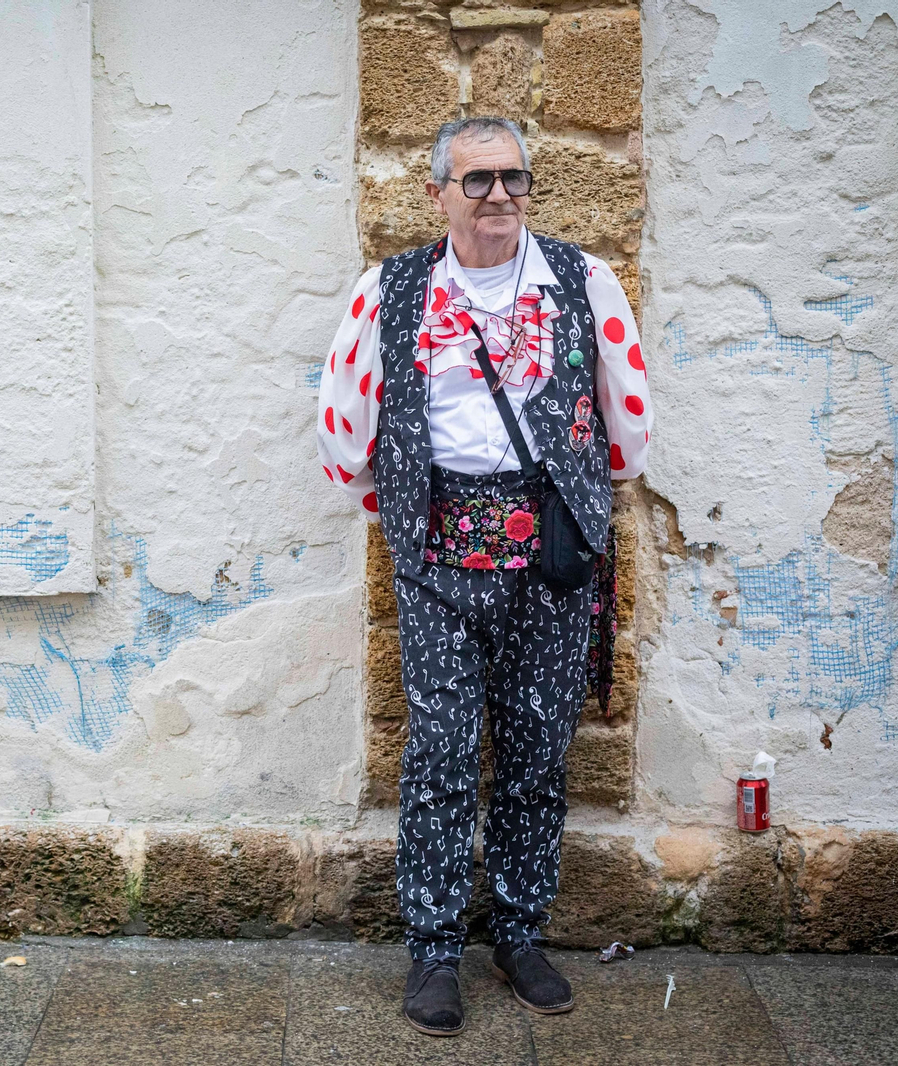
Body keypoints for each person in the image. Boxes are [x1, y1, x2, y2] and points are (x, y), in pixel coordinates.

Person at [317, 116, 651, 1034]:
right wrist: (406, 513)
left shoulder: (585, 282)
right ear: (439, 193)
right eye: (477, 180)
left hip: (551, 550)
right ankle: (432, 948)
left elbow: (626, 422)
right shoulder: (391, 291)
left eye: (513, 177)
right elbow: (346, 426)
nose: (498, 194)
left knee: (540, 751)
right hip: (436, 552)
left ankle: (517, 930)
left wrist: (582, 496)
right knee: (441, 753)